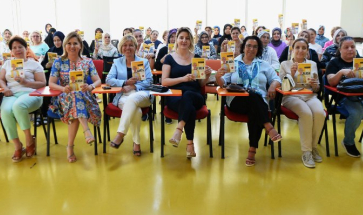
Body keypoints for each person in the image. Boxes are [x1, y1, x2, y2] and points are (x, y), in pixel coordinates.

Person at [215, 36, 282, 166]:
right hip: (237, 101)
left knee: (254, 105)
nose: (251, 49)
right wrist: (218, 77)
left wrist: (273, 86)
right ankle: (268, 126)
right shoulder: (233, 62)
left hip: (258, 102)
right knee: (254, 99)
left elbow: (276, 79)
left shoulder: (264, 64)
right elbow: (223, 83)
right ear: (243, 47)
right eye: (248, 45)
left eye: (255, 46)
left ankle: (252, 149)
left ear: (258, 49)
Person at [48, 31, 102, 163]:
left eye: (75, 43)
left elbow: (98, 81)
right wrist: (62, 88)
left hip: (84, 97)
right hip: (63, 98)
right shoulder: (58, 62)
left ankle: (70, 147)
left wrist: (90, 87)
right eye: (69, 43)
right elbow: (51, 83)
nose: (72, 46)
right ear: (65, 45)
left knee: (77, 96)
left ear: (80, 46)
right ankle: (87, 131)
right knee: (74, 96)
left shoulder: (87, 61)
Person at [162, 27, 212, 158]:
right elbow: (164, 82)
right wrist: (183, 79)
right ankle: (190, 144)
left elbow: (200, 84)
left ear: (191, 41)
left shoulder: (197, 58)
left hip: (195, 96)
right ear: (176, 40)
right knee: (187, 106)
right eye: (181, 37)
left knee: (188, 96)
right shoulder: (169, 58)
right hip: (175, 97)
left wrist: (206, 76)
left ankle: (179, 129)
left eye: (187, 38)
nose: (184, 40)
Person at [0, 36, 46, 162]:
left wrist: (26, 82)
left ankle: (29, 141)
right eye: (14, 48)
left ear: (26, 48)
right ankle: (18, 146)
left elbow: (42, 83)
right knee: (5, 111)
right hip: (11, 94)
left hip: (32, 94)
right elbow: (0, 79)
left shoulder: (34, 64)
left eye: (20, 47)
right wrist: (4, 88)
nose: (17, 50)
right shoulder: (7, 64)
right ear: (11, 51)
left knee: (18, 106)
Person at [279, 38, 325, 168]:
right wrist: (292, 74)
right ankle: (306, 151)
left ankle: (313, 146)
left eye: (304, 48)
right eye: (297, 47)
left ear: (307, 50)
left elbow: (316, 88)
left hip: (309, 95)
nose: (300, 50)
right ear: (292, 49)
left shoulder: (312, 64)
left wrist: (315, 85)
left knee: (319, 112)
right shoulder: (285, 64)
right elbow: (283, 87)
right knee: (306, 113)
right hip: (290, 97)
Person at [107, 34, 154, 156]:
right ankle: (136, 143)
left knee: (133, 98)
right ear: (121, 47)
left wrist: (133, 86)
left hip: (142, 94)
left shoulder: (143, 62)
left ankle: (120, 134)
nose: (128, 48)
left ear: (135, 47)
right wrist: (125, 82)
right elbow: (109, 79)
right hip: (123, 96)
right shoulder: (117, 62)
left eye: (131, 45)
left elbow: (149, 81)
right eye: (125, 45)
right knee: (136, 112)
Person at [326, 37, 363, 157]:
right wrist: (341, 72)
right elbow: (331, 82)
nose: (350, 49)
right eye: (346, 47)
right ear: (340, 49)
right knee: (357, 113)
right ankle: (348, 141)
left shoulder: (361, 61)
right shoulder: (334, 62)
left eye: (352, 47)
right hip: (344, 97)